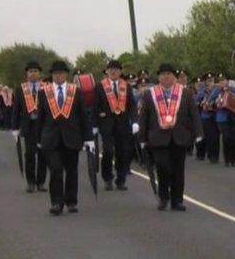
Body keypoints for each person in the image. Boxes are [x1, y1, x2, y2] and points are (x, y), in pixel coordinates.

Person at [138, 63, 202, 211]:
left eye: (169, 74)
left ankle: (176, 200)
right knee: (162, 166)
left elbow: (194, 114)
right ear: (159, 77)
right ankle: (163, 197)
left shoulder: (185, 93)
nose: (166, 77)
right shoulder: (150, 94)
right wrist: (142, 138)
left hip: (179, 137)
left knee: (178, 170)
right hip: (158, 138)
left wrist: (198, 133)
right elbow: (144, 117)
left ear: (174, 77)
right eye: (163, 74)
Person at [36, 61, 93, 215]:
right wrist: (38, 139)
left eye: (61, 73)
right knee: (55, 170)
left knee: (71, 171)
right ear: (52, 75)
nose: (58, 76)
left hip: (72, 137)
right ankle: (56, 202)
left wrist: (89, 138)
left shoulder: (76, 91)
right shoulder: (43, 92)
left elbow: (83, 116)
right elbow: (40, 117)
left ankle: (71, 201)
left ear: (66, 75)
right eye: (55, 73)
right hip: (50, 138)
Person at [92, 60, 138, 191]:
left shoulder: (126, 86)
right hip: (106, 125)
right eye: (111, 69)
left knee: (122, 153)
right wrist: (94, 125)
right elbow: (95, 107)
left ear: (120, 71)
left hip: (123, 125)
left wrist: (134, 121)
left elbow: (132, 106)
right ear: (107, 71)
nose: (113, 71)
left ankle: (121, 180)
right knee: (108, 151)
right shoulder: (100, 86)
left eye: (116, 69)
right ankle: (107, 178)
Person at [11, 61, 48, 193]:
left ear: (40, 73)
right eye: (31, 71)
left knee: (43, 154)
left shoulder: (46, 87)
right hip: (28, 126)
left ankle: (41, 182)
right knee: (29, 154)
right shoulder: (21, 89)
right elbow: (16, 109)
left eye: (36, 71)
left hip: (43, 126)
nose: (33, 73)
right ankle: (31, 182)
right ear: (26, 74)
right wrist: (14, 127)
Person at [209, 73, 235, 166]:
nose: (222, 82)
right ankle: (227, 160)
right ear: (218, 82)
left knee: (234, 138)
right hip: (221, 117)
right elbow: (210, 101)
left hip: (233, 117)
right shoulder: (216, 91)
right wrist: (217, 102)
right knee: (226, 137)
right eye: (220, 81)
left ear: (227, 81)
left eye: (224, 80)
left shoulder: (233, 89)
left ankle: (234, 160)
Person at [195, 72, 218, 162]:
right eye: (208, 81)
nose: (210, 82)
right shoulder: (202, 92)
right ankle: (209, 154)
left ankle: (215, 155)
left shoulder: (217, 90)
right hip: (205, 116)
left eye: (211, 80)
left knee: (215, 137)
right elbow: (196, 103)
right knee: (208, 136)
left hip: (215, 115)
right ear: (205, 82)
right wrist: (201, 103)